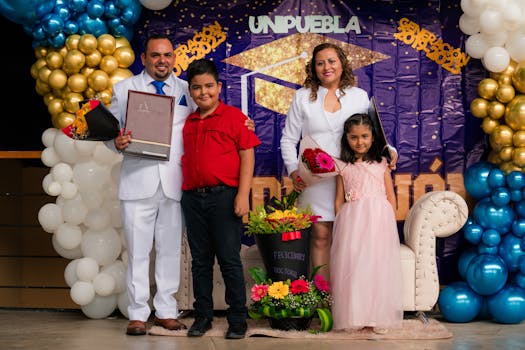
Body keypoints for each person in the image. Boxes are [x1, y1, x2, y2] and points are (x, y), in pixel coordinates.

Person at [280, 42, 397, 281]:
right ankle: (324, 301)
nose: (326, 67)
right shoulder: (302, 98)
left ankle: (350, 299)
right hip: (316, 181)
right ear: (313, 68)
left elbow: (374, 135)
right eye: (320, 63)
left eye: (332, 61)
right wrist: (294, 172)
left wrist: (390, 152)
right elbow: (287, 139)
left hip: (354, 179)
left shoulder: (358, 96)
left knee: (352, 240)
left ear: (342, 63)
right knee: (320, 236)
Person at [107, 34, 197, 335]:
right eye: (156, 55)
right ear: (143, 59)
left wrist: (242, 124)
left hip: (173, 183)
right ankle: (137, 313)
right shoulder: (124, 89)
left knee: (170, 249)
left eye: (168, 55)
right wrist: (116, 143)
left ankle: (167, 311)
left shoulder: (187, 90)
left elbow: (209, 119)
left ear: (174, 58)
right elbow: (109, 132)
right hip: (136, 182)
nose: (162, 61)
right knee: (138, 251)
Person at [180, 59, 261, 339]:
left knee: (229, 260)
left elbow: (247, 155)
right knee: (200, 261)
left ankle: (238, 318)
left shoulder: (234, 117)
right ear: (190, 91)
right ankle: (202, 316)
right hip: (192, 199)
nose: (204, 92)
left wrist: (242, 195)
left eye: (209, 86)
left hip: (224, 197)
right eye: (197, 88)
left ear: (220, 87)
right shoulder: (188, 122)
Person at [330, 113, 403, 333]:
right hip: (353, 221)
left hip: (378, 220)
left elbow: (390, 197)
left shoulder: (381, 163)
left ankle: (377, 316)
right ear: (346, 138)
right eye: (354, 137)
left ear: (372, 137)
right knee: (355, 266)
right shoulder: (341, 166)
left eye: (364, 136)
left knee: (376, 266)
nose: (359, 142)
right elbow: (338, 200)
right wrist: (341, 225)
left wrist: (389, 222)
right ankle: (356, 315)